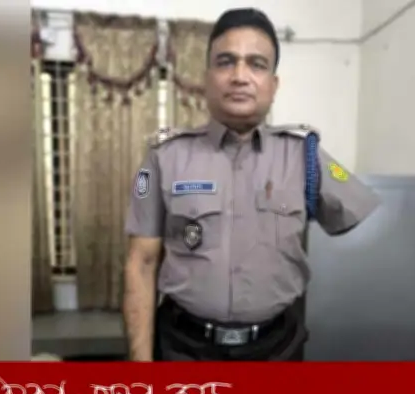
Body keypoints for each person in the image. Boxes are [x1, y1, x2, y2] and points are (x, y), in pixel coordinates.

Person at [122, 8, 380, 362]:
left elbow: (355, 206)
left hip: (277, 350)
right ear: (207, 78)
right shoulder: (163, 158)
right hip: (184, 349)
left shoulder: (306, 156)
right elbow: (141, 263)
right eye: (226, 62)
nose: (240, 76)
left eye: (256, 64)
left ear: (273, 85)